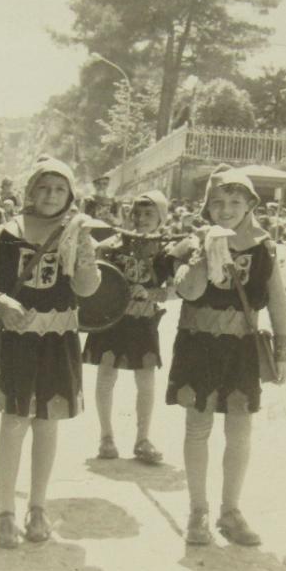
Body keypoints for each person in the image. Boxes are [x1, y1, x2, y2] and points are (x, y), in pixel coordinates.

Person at [0, 156, 101, 549]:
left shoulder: (77, 232)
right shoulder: (3, 234)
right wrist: (1, 302)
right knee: (14, 421)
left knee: (48, 422)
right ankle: (5, 511)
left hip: (58, 338)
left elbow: (88, 289)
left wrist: (84, 253)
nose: (51, 195)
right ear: (29, 190)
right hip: (19, 338)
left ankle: (38, 507)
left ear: (70, 194)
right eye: (43, 187)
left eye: (60, 189)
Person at [166, 166, 286, 547]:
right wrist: (204, 253)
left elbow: (277, 300)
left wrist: (283, 349)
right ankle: (198, 510)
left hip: (241, 348)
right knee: (198, 428)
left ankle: (230, 510)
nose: (226, 209)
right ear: (206, 207)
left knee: (239, 432)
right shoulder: (192, 243)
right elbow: (186, 291)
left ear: (250, 204)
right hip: (198, 343)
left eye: (235, 202)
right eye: (217, 203)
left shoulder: (264, 245)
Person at [82, 191, 178, 465]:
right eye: (137, 212)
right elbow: (96, 279)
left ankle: (142, 438)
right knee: (106, 374)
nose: (141, 219)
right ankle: (106, 436)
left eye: (149, 213)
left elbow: (177, 289)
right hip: (112, 319)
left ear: (161, 216)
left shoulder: (166, 250)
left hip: (143, 320)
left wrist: (151, 294)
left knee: (145, 379)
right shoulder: (112, 246)